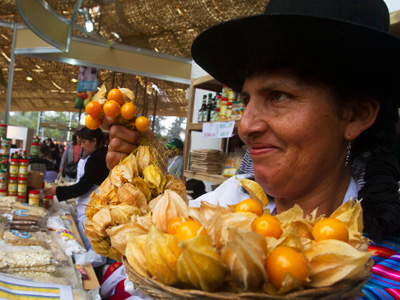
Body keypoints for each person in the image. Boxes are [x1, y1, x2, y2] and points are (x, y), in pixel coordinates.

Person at [105, 0, 400, 297]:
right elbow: (139, 273)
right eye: (246, 101)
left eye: (279, 96)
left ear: (356, 115)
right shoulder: (226, 203)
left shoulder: (387, 264)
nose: (245, 126)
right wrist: (138, 192)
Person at [45, 127, 109, 257]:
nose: (81, 146)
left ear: (94, 141)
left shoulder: (97, 159)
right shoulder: (99, 155)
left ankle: (94, 272)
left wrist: (57, 190)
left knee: (92, 248)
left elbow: (82, 187)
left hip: (92, 208)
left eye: (84, 142)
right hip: (90, 206)